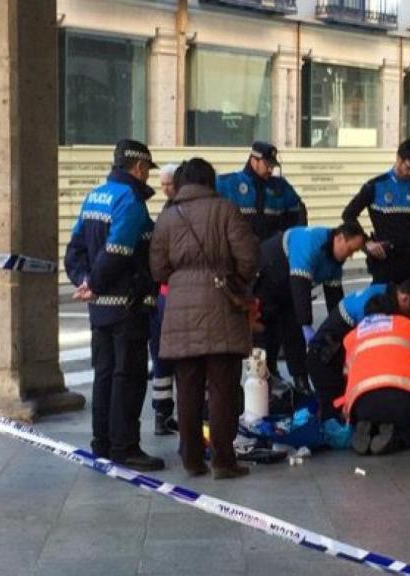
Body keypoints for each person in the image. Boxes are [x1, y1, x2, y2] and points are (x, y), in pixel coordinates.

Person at [150, 158, 260, 479]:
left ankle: (192, 460)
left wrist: (182, 279)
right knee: (223, 386)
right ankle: (224, 461)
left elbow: (157, 267)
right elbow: (249, 256)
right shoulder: (226, 210)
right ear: (210, 181)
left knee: (188, 387)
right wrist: (236, 281)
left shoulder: (167, 217)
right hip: (220, 304)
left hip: (180, 305)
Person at [64, 139, 164, 471]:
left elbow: (74, 250)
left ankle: (101, 444)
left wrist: (84, 281)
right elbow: (118, 250)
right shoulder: (130, 202)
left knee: (104, 375)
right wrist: (93, 283)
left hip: (99, 309)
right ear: (138, 167)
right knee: (129, 377)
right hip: (127, 308)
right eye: (148, 169)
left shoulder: (96, 196)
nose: (148, 176)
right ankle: (125, 447)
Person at [254, 223, 366, 393]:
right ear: (340, 238)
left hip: (290, 283)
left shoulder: (335, 261)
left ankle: (301, 382)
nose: (349, 256)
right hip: (270, 269)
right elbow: (300, 287)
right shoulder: (311, 242)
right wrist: (306, 324)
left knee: (294, 331)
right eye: (350, 250)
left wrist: (342, 333)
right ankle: (262, 379)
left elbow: (335, 302)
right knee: (267, 329)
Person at [306, 278, 410, 421]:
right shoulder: (372, 309)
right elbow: (371, 348)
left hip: (333, 355)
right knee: (334, 414)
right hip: (325, 360)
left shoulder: (383, 291)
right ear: (405, 299)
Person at [336, 295, 410, 456]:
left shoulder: (351, 337)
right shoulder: (407, 325)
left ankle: (370, 427)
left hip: (362, 405)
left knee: (377, 410)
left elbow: (347, 376)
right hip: (404, 401)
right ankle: (397, 438)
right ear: (393, 312)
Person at [342, 139, 410, 284]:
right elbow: (348, 214)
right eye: (409, 167)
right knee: (385, 304)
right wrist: (366, 242)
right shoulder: (375, 186)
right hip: (385, 259)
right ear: (398, 159)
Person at [217, 141, 304, 242]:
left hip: (271, 251)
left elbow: (298, 216)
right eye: (267, 165)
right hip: (240, 251)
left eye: (272, 165)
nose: (270, 170)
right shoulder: (228, 183)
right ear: (254, 161)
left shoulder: (281, 187)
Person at [149, 163, 180, 436]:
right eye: (162, 185)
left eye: (168, 184)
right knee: (170, 360)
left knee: (163, 359)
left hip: (165, 295)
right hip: (172, 295)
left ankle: (163, 413)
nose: (165, 189)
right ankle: (164, 414)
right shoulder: (173, 212)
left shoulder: (168, 215)